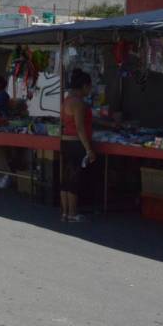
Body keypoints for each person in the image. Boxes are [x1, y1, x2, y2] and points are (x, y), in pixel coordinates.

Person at [60, 69, 96, 222]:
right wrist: (89, 149)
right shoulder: (78, 103)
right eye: (90, 87)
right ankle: (73, 213)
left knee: (66, 178)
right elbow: (80, 127)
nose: (90, 90)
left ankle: (65, 213)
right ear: (84, 86)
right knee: (74, 178)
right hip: (76, 143)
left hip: (66, 142)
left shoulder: (67, 100)